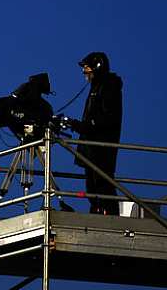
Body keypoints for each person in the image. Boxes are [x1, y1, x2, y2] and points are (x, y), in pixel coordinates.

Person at [68, 52, 123, 215]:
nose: (84, 72)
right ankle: (97, 211)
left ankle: (109, 217)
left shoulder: (108, 86)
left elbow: (107, 120)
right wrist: (77, 125)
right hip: (91, 150)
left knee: (103, 185)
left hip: (101, 150)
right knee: (92, 187)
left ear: (96, 67)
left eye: (86, 68)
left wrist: (81, 126)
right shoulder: (97, 88)